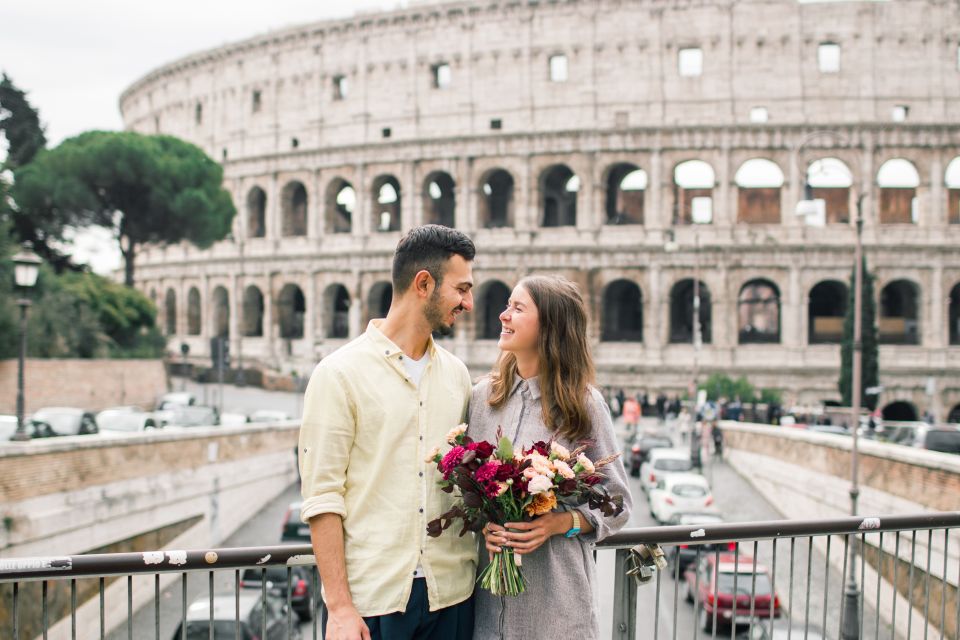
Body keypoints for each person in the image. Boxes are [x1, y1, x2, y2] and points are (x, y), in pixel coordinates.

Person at [298, 225, 477, 640]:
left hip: (451, 595)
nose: (469, 303)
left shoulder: (458, 376)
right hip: (374, 603)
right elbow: (322, 497)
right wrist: (339, 607)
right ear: (423, 284)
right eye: (462, 289)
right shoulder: (338, 374)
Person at [467, 275, 632, 640]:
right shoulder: (482, 399)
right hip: (488, 611)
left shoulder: (584, 406)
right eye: (508, 305)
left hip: (557, 611)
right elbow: (466, 492)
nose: (503, 315)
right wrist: (483, 525)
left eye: (517, 308)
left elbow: (617, 504)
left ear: (550, 327)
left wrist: (559, 523)